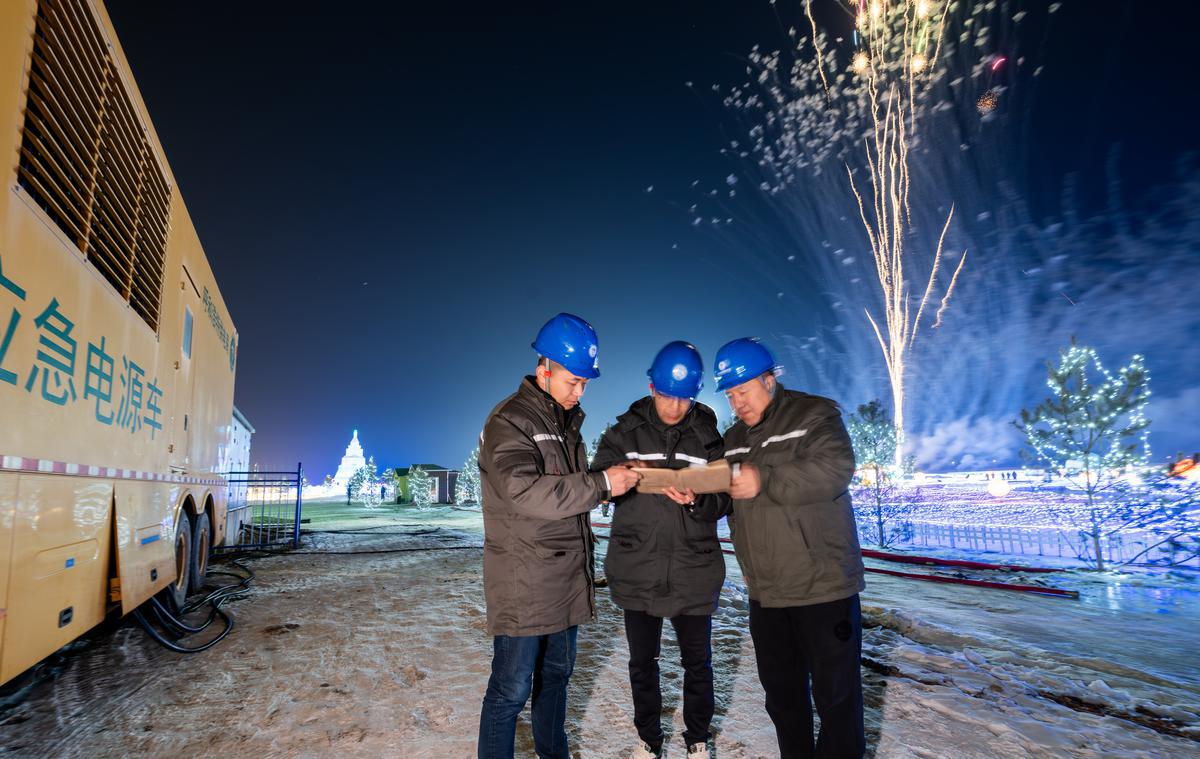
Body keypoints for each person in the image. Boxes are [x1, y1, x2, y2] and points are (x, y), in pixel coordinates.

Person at [477, 313, 641, 759]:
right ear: (544, 369)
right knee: (510, 692)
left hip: (564, 582)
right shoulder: (510, 421)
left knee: (556, 681)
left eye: (586, 383)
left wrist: (613, 482)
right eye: (574, 382)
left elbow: (569, 493)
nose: (580, 392)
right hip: (524, 583)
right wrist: (601, 484)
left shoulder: (565, 425)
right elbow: (524, 491)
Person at [715, 337, 866, 759]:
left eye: (743, 390)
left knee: (837, 701)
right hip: (767, 594)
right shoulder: (733, 438)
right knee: (782, 700)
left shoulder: (813, 414)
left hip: (823, 589)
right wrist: (695, 495)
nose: (737, 402)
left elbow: (835, 469)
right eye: (730, 395)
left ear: (769, 380)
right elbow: (725, 495)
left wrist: (764, 479)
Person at [591, 341, 730, 759]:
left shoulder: (709, 437)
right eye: (668, 396)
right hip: (639, 566)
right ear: (652, 387)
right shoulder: (623, 433)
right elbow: (597, 482)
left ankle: (697, 739)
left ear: (696, 394)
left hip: (693, 568)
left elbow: (725, 499)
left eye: (685, 398)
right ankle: (649, 740)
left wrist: (697, 499)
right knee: (642, 663)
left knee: (698, 663)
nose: (675, 407)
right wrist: (617, 480)